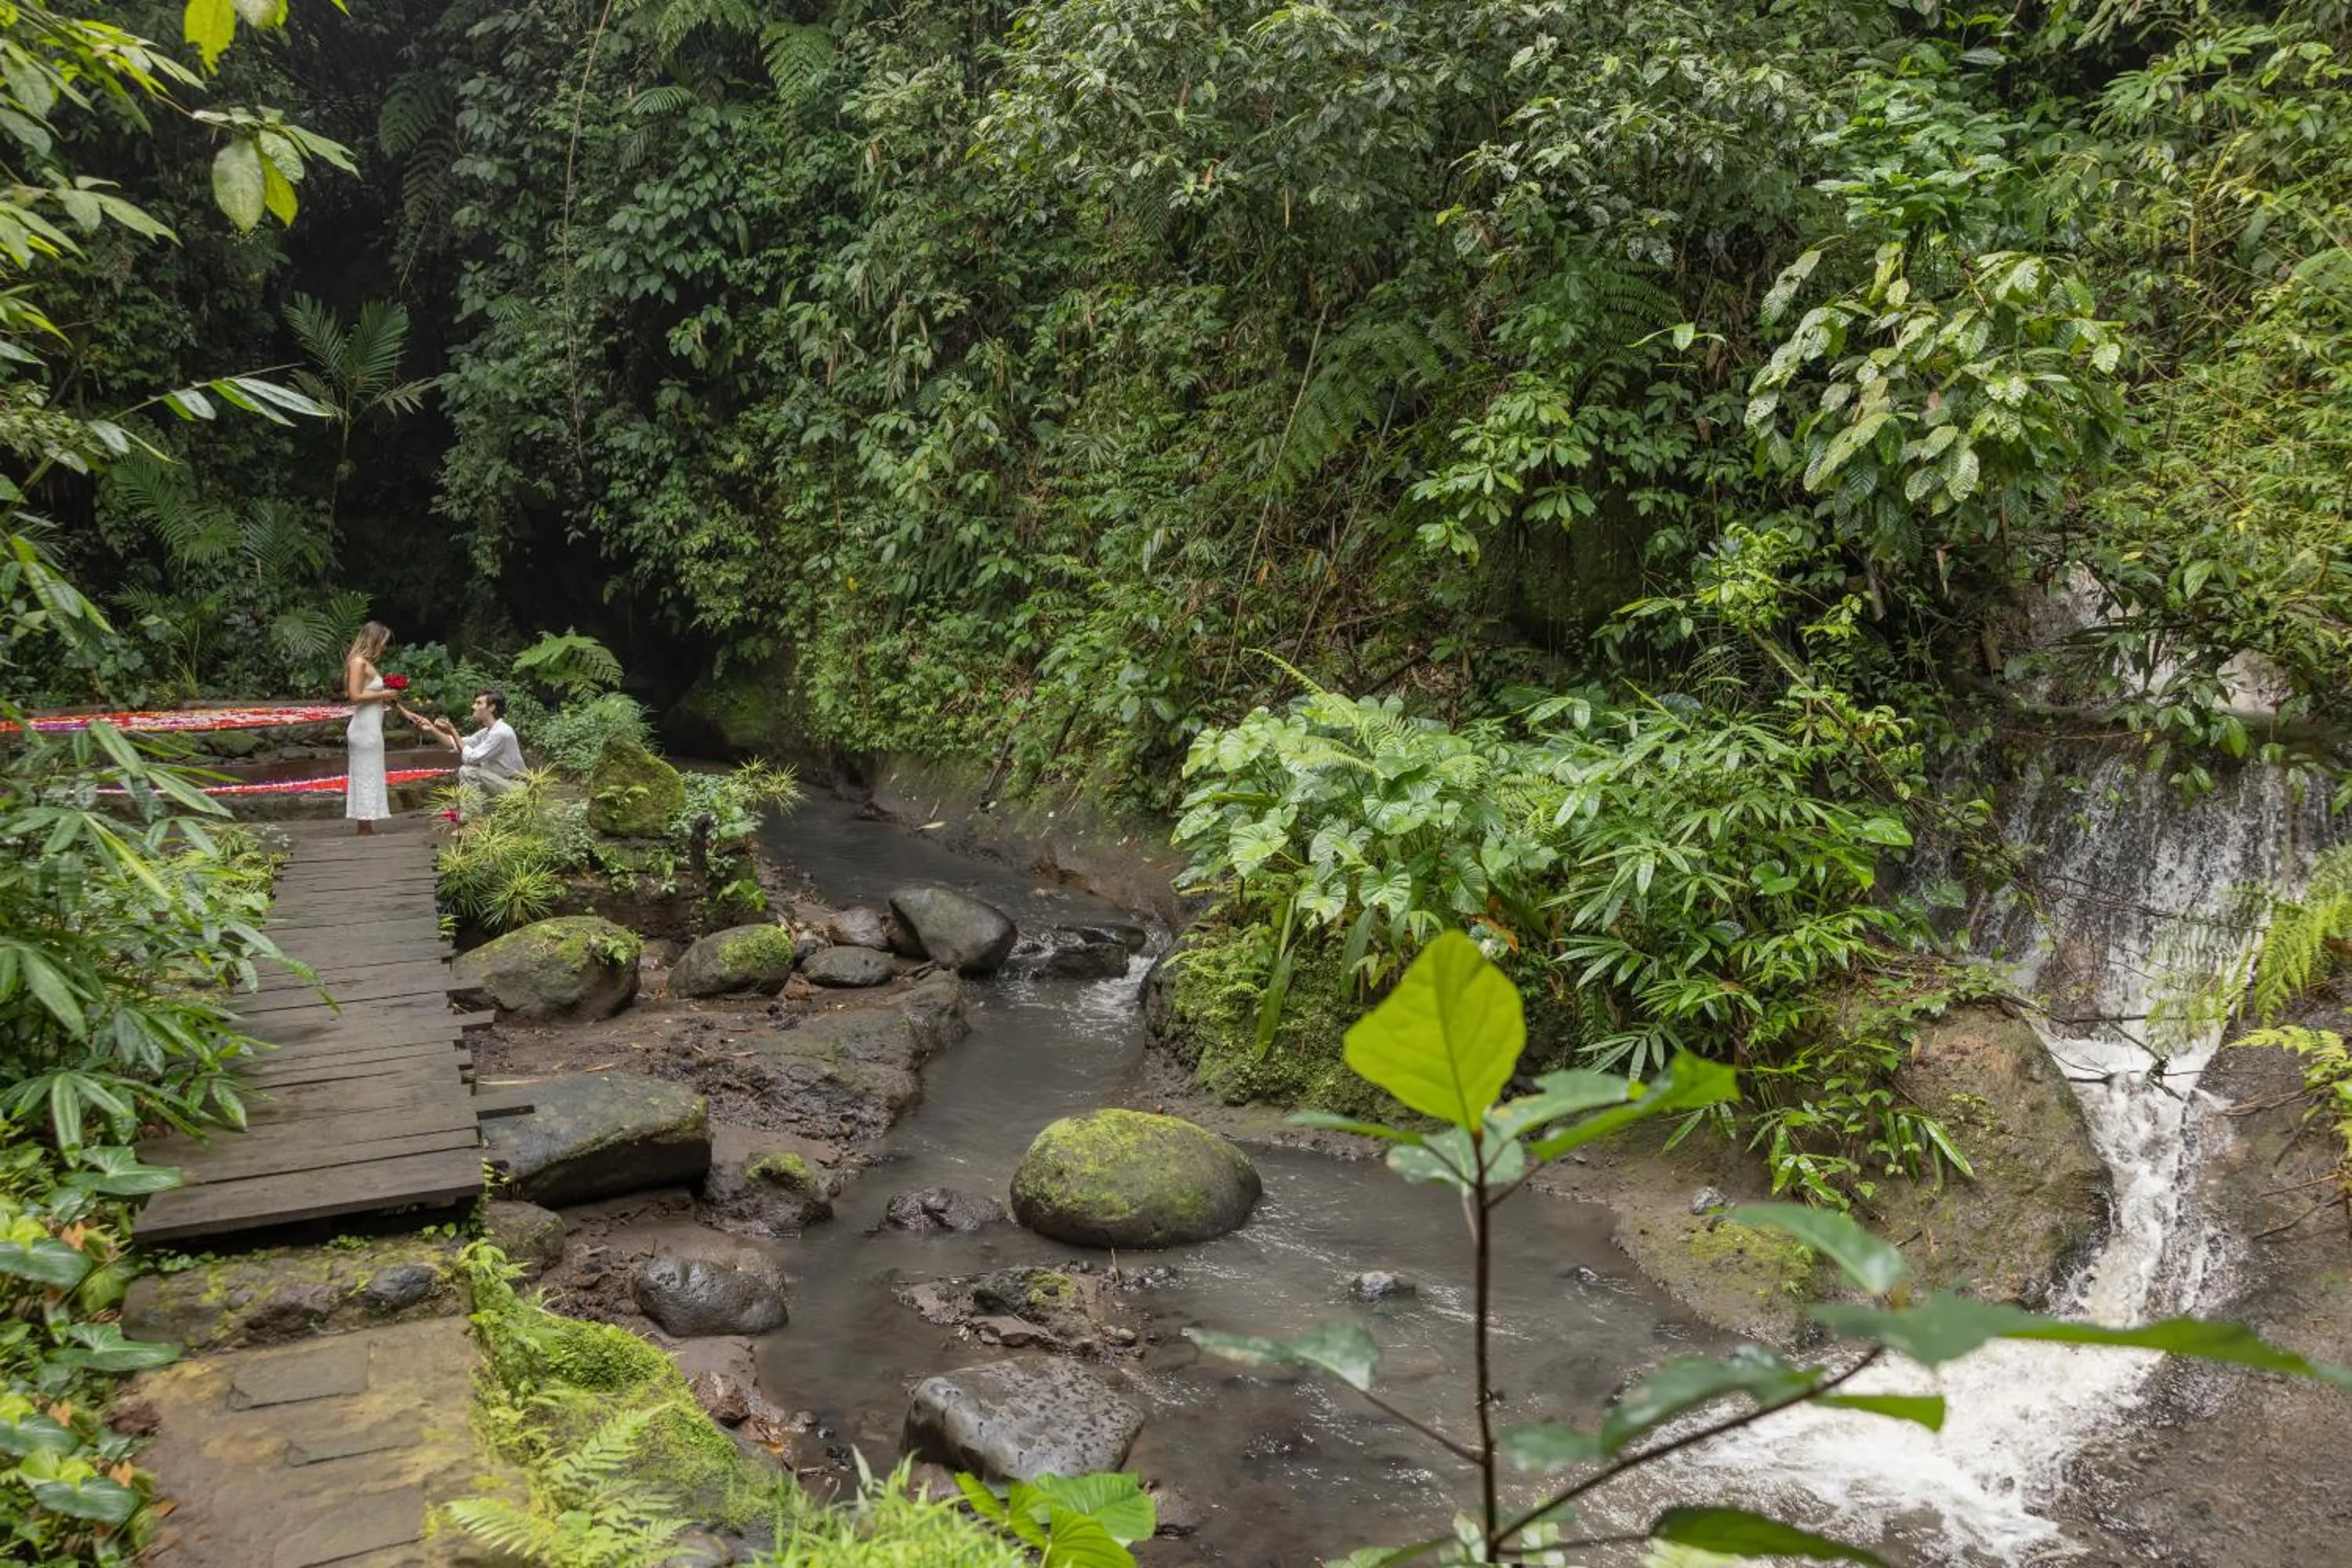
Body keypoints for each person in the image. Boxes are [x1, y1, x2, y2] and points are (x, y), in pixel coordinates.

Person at [402, 687, 524, 818]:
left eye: (478, 703)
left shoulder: (501, 732)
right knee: (469, 771)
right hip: (498, 784)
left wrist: (453, 730)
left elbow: (471, 758)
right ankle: (476, 816)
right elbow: (455, 744)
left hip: (514, 788)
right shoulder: (487, 732)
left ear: (492, 708)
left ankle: (472, 820)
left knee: (468, 771)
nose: (473, 706)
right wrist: (432, 729)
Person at [343, 621, 401, 836]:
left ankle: (367, 825)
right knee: (365, 773)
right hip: (363, 728)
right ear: (373, 640)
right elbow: (355, 696)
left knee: (371, 772)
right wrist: (384, 694)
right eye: (383, 642)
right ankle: (364, 826)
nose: (384, 647)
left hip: (372, 725)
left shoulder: (365, 662)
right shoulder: (358, 662)